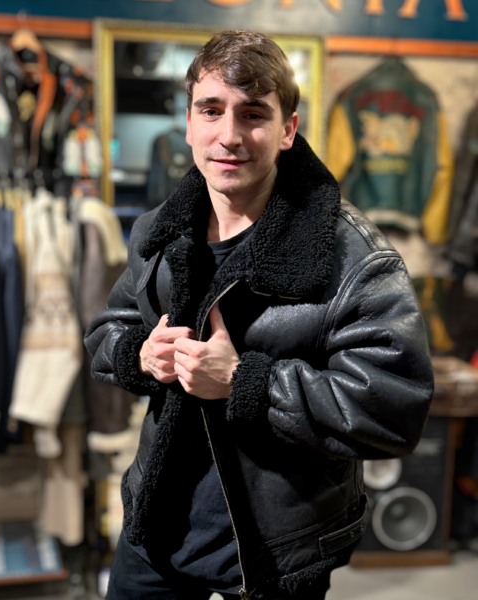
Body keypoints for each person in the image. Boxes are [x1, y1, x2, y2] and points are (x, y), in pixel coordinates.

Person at [85, 30, 434, 600]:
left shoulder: (353, 259)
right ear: (189, 123)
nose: (229, 135)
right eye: (211, 110)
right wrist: (140, 354)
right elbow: (107, 330)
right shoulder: (159, 232)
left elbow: (393, 408)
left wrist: (246, 381)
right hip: (154, 526)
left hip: (276, 551)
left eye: (252, 114)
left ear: (287, 130)